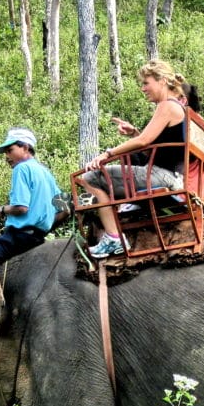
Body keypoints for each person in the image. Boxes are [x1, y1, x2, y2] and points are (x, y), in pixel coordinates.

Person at [75, 59, 191, 259]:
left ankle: (113, 238)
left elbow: (144, 141)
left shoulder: (167, 106)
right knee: (98, 178)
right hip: (169, 175)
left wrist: (107, 154)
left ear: (162, 81)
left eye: (146, 83)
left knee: (89, 178)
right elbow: (151, 147)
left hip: (160, 176)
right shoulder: (176, 108)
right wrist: (134, 133)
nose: (143, 88)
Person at [0, 127, 60, 267]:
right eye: (5, 152)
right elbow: (64, 210)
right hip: (38, 239)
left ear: (26, 147)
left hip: (18, 237)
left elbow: (21, 207)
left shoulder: (21, 168)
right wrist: (46, 226)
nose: (6, 157)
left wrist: (2, 210)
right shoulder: (46, 173)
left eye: (10, 150)